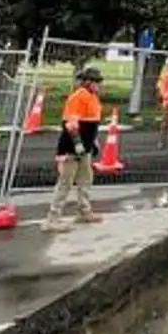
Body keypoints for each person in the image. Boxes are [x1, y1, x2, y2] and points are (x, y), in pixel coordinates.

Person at [42, 65, 104, 233]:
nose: (99, 85)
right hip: (72, 148)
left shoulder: (92, 98)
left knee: (86, 179)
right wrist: (77, 145)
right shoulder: (78, 97)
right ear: (88, 82)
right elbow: (71, 124)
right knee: (65, 182)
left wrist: (93, 143)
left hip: (85, 148)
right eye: (96, 82)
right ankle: (52, 219)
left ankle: (84, 211)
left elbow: (91, 125)